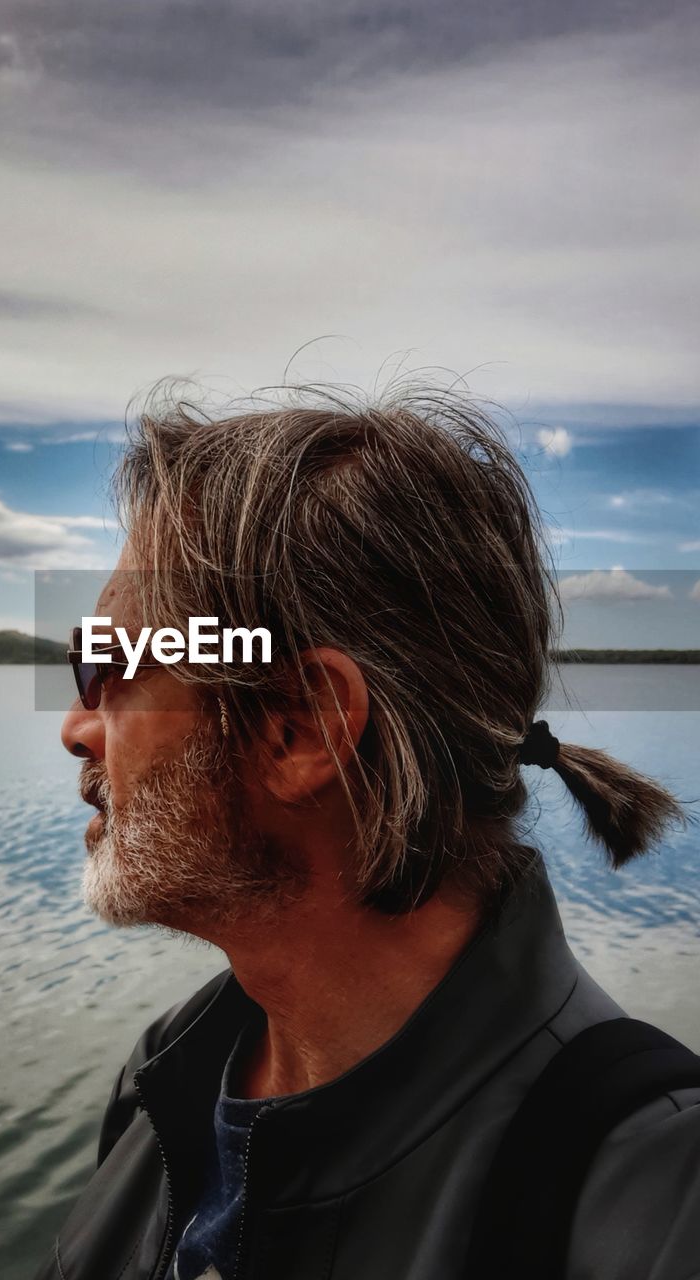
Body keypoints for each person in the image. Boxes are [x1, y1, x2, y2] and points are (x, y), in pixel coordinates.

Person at [35, 384, 700, 1280]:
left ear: (299, 728)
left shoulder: (651, 1206)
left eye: (107, 665)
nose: (76, 727)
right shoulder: (167, 1081)